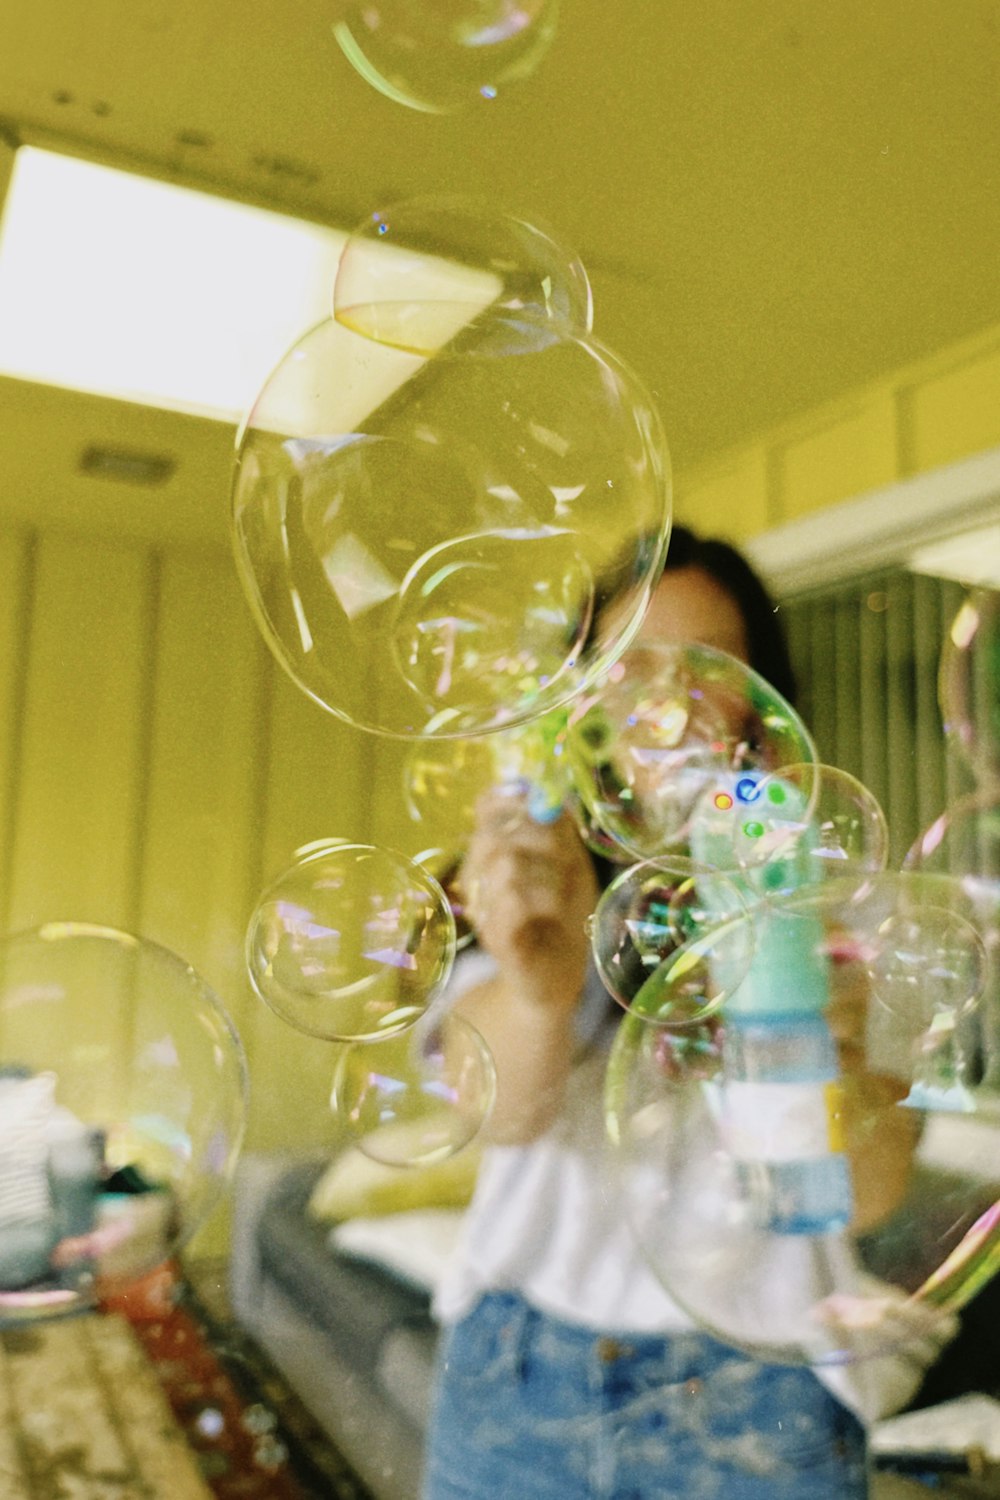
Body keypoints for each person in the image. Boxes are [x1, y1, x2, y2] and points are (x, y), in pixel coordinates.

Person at [420, 527, 942, 1500]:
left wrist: (836, 1057)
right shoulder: (532, 870)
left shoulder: (834, 896)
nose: (671, 698)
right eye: (633, 667)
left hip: (766, 1396)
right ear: (583, 706)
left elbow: (869, 1198)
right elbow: (498, 1112)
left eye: (710, 667)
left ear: (760, 702)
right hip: (518, 1373)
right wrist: (539, 982)